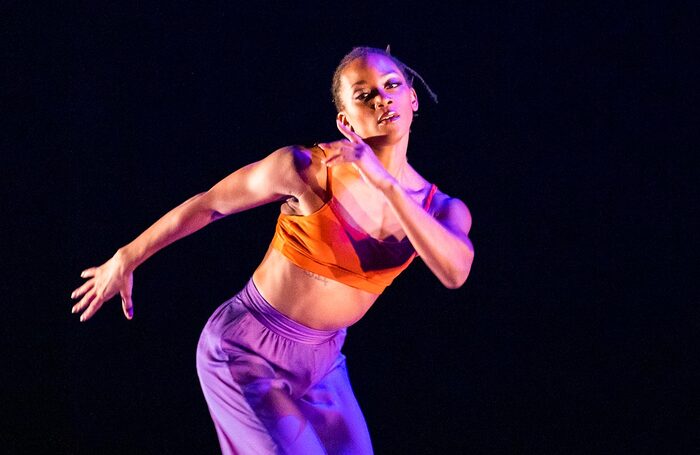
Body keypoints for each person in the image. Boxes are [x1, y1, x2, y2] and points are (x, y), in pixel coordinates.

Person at [70, 46, 474, 454]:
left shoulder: (440, 209)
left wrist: (387, 184)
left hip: (323, 363)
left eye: (391, 86)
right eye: (363, 94)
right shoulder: (307, 168)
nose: (382, 99)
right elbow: (210, 203)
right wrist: (126, 257)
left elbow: (455, 272)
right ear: (344, 119)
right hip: (245, 349)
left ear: (412, 98)